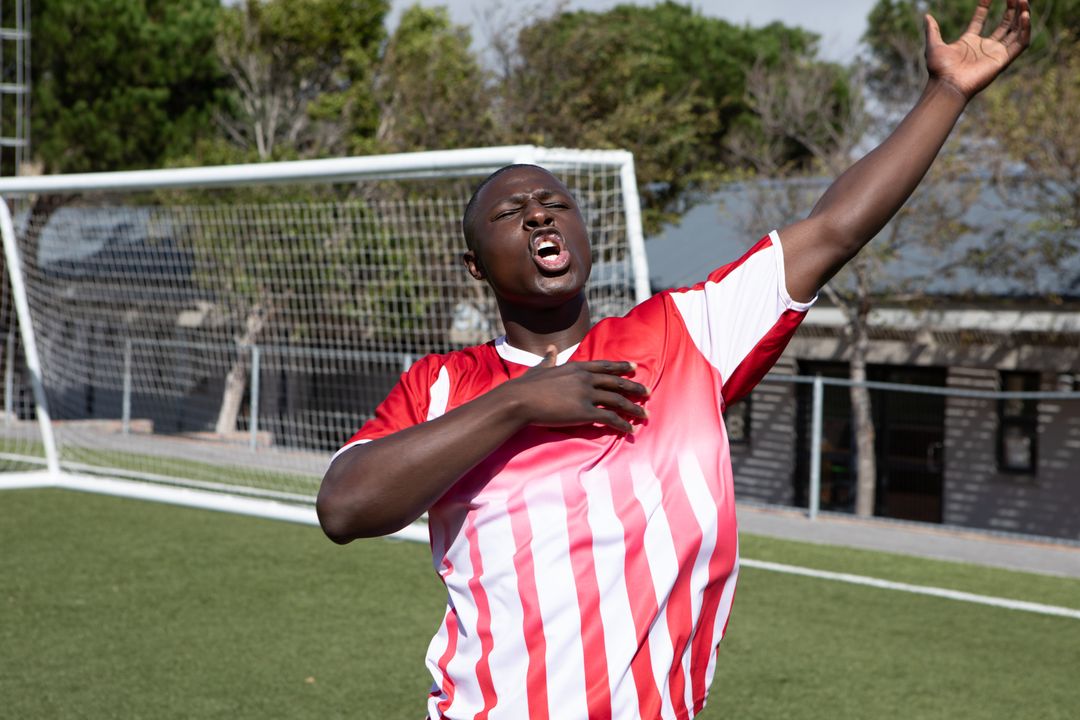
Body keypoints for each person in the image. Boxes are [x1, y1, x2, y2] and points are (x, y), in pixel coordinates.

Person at [317, 2, 1030, 717]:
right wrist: (520, 402)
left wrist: (945, 94)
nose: (538, 214)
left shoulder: (686, 334)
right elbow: (345, 508)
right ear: (475, 265)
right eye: (510, 213)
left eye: (554, 203)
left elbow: (833, 230)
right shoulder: (444, 384)